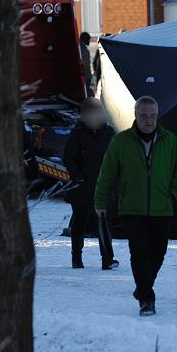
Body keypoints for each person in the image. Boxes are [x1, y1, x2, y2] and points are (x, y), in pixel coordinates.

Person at [94, 96, 177, 316]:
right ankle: (147, 298)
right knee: (138, 252)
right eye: (144, 116)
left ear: (157, 116)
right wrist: (100, 201)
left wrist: (172, 193)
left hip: (161, 207)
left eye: (152, 116)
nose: (148, 120)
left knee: (158, 252)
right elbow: (107, 173)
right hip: (132, 208)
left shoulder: (170, 141)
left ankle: (142, 286)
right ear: (136, 115)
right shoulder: (121, 141)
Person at [63, 98, 118, 270]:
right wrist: (77, 176)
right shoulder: (77, 133)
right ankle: (76, 258)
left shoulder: (109, 133)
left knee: (104, 222)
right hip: (82, 186)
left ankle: (107, 259)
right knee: (79, 222)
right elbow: (69, 157)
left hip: (103, 185)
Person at [79, 32, 95, 97]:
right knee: (89, 95)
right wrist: (88, 76)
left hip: (85, 77)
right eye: (88, 40)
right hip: (85, 78)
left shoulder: (81, 48)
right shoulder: (82, 50)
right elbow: (85, 66)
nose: (89, 42)